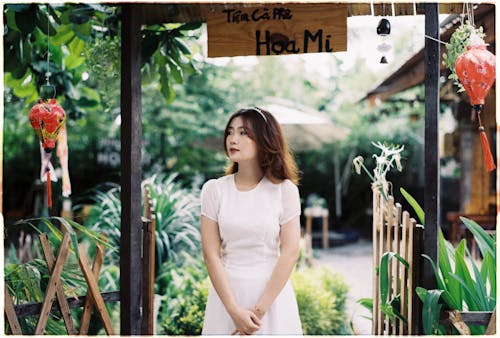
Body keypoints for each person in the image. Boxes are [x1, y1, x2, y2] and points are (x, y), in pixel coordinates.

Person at [200, 107, 303, 335]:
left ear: (265, 139)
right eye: (230, 132)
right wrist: (233, 310)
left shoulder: (284, 190)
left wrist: (258, 312)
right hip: (226, 299)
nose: (233, 139)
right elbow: (210, 255)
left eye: (243, 133)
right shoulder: (214, 190)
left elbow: (290, 252)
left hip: (271, 299)